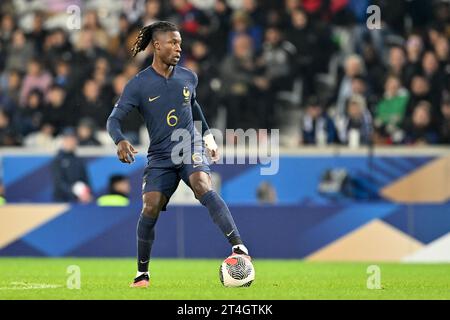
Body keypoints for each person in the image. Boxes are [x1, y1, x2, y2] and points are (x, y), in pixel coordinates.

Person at [106, 21, 250, 288]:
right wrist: (120, 140)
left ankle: (238, 246)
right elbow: (113, 120)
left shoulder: (188, 77)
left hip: (189, 147)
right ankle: (142, 274)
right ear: (157, 45)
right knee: (150, 206)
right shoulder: (138, 85)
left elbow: (194, 107)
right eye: (173, 43)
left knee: (201, 184)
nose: (178, 48)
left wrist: (207, 137)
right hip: (160, 156)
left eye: (180, 43)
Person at [51, 127, 92, 203]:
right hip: (61, 201)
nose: (70, 142)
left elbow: (85, 179)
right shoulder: (57, 160)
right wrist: (74, 193)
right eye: (68, 139)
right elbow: (59, 183)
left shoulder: (78, 160)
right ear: (63, 141)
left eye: (72, 139)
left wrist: (87, 193)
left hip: (79, 201)